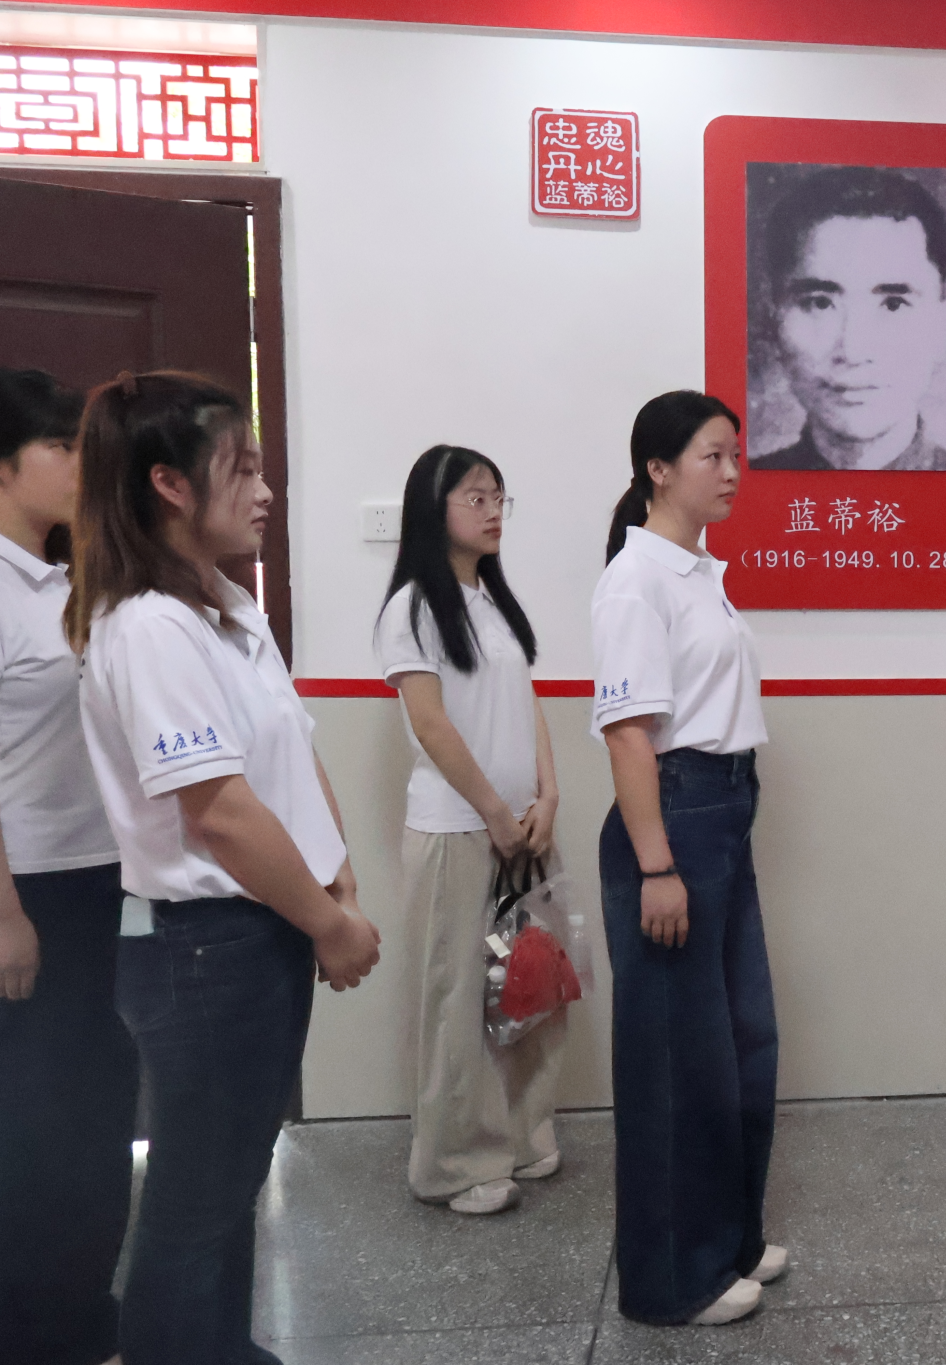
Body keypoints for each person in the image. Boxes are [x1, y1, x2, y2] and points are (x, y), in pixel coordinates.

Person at [68, 370, 382, 1365]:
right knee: (194, 1203)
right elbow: (222, 814)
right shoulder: (148, 627)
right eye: (241, 469)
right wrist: (329, 924)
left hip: (258, 933)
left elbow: (292, 754)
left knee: (231, 1183)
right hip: (204, 951)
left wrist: (337, 884)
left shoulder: (225, 604)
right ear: (168, 484)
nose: (264, 490)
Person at [593, 391, 785, 1326]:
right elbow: (629, 734)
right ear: (658, 470)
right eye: (713, 455)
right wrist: (657, 867)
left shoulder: (698, 571)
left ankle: (731, 1239)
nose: (732, 471)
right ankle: (673, 1279)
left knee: (742, 1041)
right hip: (673, 823)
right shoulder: (637, 580)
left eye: (735, 454)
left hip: (723, 812)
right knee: (677, 1061)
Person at [375, 444, 565, 1217]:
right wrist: (492, 811)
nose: (492, 512)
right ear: (435, 508)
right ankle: (451, 1163)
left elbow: (527, 702)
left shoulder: (491, 601)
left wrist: (548, 794)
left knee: (529, 988)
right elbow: (429, 723)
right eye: (475, 497)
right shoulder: (413, 606)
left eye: (498, 497)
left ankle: (519, 1135)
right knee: (458, 999)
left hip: (523, 830)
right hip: (459, 831)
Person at [0, 368, 134, 1365]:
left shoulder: (69, 578)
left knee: (98, 1108)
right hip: (26, 887)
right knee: (39, 1120)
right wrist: (4, 913)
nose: (83, 465)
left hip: (100, 877)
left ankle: (83, 1310)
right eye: (62, 446)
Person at [752, 165, 946, 472]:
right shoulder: (738, 487)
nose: (853, 352)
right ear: (773, 323)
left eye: (893, 305)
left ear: (942, 329)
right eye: (820, 303)